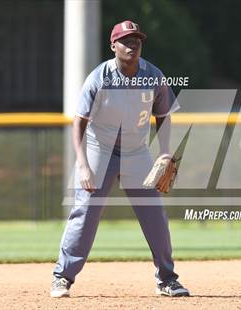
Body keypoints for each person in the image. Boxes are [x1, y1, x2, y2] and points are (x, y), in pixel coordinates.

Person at [51, 20, 189, 298]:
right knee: (86, 213)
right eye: (126, 40)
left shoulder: (153, 75)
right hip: (99, 149)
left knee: (155, 217)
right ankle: (62, 277)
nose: (132, 44)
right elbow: (78, 122)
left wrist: (164, 150)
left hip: (136, 152)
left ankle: (167, 279)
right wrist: (83, 164)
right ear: (113, 45)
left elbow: (163, 115)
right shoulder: (99, 77)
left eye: (136, 39)